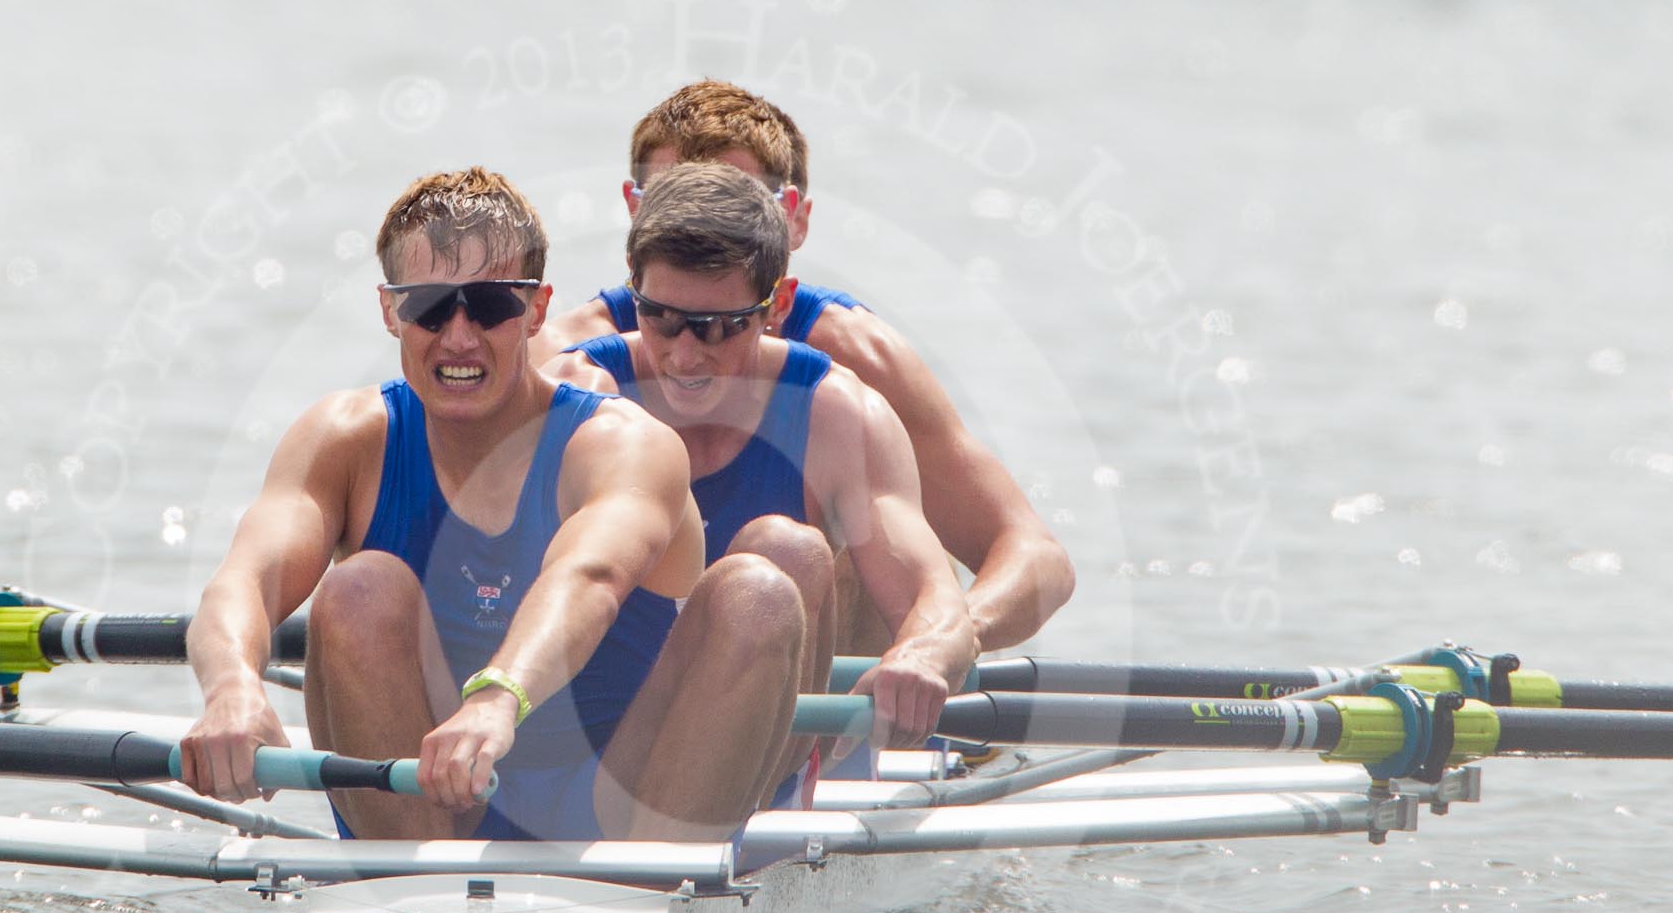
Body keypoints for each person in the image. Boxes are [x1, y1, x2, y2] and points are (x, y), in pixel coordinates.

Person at [179, 168, 808, 843]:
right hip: (429, 806)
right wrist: (232, 685)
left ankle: (670, 891)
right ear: (389, 310)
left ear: (536, 311)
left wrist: (499, 697)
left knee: (759, 593)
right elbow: (243, 580)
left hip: (624, 812)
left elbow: (588, 576)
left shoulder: (620, 446)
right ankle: (409, 896)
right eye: (428, 306)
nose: (457, 338)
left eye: (488, 307)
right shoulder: (344, 439)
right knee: (361, 586)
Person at [532, 80, 1074, 656]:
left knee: (888, 550)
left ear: (791, 218)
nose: (705, 220)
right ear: (636, 212)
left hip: (816, 684)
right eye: (676, 198)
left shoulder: (854, 359)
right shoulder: (567, 359)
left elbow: (1034, 556)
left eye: (735, 201)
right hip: (621, 691)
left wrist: (941, 641)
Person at [542, 161, 975, 779]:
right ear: (631, 290)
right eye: (660, 317)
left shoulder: (838, 414)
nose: (684, 354)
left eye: (717, 326)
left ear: (779, 306)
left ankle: (744, 814)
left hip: (750, 765)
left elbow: (936, 596)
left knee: (785, 551)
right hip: (589, 751)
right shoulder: (575, 392)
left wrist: (925, 655)